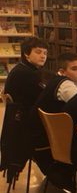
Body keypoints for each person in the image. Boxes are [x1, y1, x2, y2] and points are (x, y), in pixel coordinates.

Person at [0, 37, 48, 185]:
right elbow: (43, 98)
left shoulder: (21, 69)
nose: (43, 56)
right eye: (38, 52)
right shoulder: (27, 74)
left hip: (17, 126)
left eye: (45, 53)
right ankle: (59, 174)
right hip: (27, 129)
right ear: (26, 54)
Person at [31, 52, 77, 176]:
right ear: (62, 71)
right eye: (74, 69)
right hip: (48, 144)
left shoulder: (62, 81)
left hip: (44, 138)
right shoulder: (65, 85)